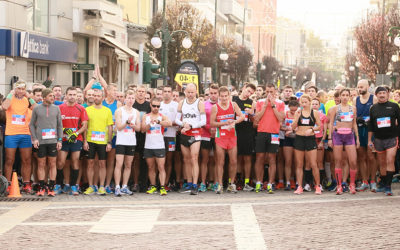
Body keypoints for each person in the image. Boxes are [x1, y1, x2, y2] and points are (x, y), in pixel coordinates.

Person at [2, 80, 37, 193]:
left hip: (25, 133)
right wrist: (10, 94)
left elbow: (36, 109)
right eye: (19, 88)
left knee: (26, 160)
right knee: (9, 160)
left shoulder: (27, 100)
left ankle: (26, 184)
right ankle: (7, 184)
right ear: (14, 89)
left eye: (23, 89)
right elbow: (5, 107)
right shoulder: (9, 98)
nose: (21, 91)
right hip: (11, 134)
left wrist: (29, 97)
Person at [210, 86, 244, 193]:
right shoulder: (215, 107)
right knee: (220, 161)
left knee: (233, 161)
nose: (224, 99)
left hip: (232, 136)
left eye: (226, 96)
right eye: (222, 96)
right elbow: (212, 123)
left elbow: (242, 116)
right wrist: (224, 123)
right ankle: (220, 185)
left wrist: (234, 122)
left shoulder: (233, 105)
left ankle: (231, 184)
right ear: (219, 97)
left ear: (229, 96)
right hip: (221, 137)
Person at [29, 88, 63, 196]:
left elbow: (59, 125)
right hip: (41, 142)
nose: (53, 97)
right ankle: (42, 187)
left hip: (53, 141)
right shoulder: (37, 108)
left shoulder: (56, 108)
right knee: (41, 164)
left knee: (52, 164)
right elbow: (31, 124)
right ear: (44, 98)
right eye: (50, 96)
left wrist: (59, 140)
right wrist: (34, 139)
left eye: (53, 96)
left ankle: (51, 188)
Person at [55, 87, 88, 195]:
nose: (72, 97)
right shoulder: (59, 108)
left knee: (75, 161)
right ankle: (59, 185)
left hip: (76, 139)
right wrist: (64, 130)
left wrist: (76, 134)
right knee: (61, 162)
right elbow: (56, 124)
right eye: (70, 94)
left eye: (74, 95)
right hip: (63, 139)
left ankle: (73, 186)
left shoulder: (81, 108)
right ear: (66, 95)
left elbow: (85, 126)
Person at [368, 86, 400, 196]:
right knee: (381, 163)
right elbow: (371, 125)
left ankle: (388, 186)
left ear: (387, 94)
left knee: (389, 160)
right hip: (378, 139)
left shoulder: (394, 106)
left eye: (384, 93)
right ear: (376, 95)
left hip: (392, 138)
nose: (382, 95)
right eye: (379, 93)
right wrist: (369, 140)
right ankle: (382, 184)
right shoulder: (373, 108)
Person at [175, 83, 206, 195]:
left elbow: (203, 121)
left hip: (195, 134)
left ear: (196, 92)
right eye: (188, 92)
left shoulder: (199, 103)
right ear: (185, 92)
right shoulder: (181, 103)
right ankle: (188, 183)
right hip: (185, 134)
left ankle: (194, 185)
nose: (190, 94)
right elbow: (177, 119)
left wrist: (192, 126)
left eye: (192, 92)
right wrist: (184, 124)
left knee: (194, 158)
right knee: (186, 160)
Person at [253, 83, 285, 193]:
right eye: (267, 92)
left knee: (272, 158)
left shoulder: (280, 103)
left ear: (275, 92)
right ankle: (259, 182)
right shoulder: (260, 102)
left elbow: (281, 118)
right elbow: (256, 118)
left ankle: (270, 183)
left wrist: (273, 106)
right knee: (260, 157)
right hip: (262, 132)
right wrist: (264, 106)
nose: (269, 94)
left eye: (271, 92)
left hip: (274, 134)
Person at [328, 89, 360, 195]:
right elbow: (331, 123)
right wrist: (329, 138)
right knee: (338, 161)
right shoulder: (334, 109)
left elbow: (354, 123)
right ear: (340, 96)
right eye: (343, 95)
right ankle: (339, 186)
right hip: (338, 136)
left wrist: (357, 138)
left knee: (353, 161)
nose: (345, 97)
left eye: (347, 95)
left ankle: (352, 184)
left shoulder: (353, 108)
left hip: (349, 136)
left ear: (350, 96)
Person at [83, 89, 113, 195]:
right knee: (90, 163)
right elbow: (84, 126)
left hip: (102, 141)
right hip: (90, 140)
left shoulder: (107, 110)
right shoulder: (87, 110)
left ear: (103, 98)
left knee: (102, 163)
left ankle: (101, 186)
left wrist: (109, 142)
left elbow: (110, 127)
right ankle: (91, 186)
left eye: (98, 96)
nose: (96, 97)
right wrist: (85, 141)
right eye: (94, 96)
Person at [291, 94, 322, 195]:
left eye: (305, 102)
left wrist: (311, 129)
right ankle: (300, 186)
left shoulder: (315, 112)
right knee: (299, 164)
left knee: (313, 164)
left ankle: (317, 186)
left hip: (310, 139)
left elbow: (319, 126)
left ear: (309, 102)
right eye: (302, 102)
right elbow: (293, 126)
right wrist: (297, 116)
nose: (303, 104)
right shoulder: (298, 112)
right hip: (299, 138)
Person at [142, 97, 172, 196]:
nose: (156, 108)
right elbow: (142, 130)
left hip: (159, 145)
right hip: (149, 145)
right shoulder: (146, 116)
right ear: (150, 105)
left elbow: (169, 123)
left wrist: (159, 122)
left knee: (161, 167)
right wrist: (149, 125)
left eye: (158, 106)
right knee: (151, 167)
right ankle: (153, 185)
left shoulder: (161, 116)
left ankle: (162, 187)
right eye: (154, 106)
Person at [114, 90, 140, 196]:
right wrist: (127, 122)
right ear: (125, 99)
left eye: (132, 98)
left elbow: (138, 128)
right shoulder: (119, 111)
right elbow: (118, 127)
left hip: (131, 141)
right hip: (121, 141)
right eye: (128, 98)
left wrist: (133, 125)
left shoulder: (136, 112)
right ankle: (117, 187)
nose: (130, 100)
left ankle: (124, 186)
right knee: (119, 164)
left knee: (128, 165)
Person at [354, 79, 378, 192]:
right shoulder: (356, 99)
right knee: (361, 157)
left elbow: (378, 114)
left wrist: (371, 120)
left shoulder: (373, 98)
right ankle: (364, 181)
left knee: (371, 157)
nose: (360, 89)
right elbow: (353, 115)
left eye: (362, 87)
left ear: (368, 87)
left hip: (371, 131)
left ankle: (373, 181)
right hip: (359, 130)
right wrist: (357, 119)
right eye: (358, 87)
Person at [232, 83, 256, 191]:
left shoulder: (252, 103)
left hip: (247, 132)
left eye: (251, 93)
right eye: (248, 91)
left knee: (247, 158)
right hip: (235, 131)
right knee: (236, 157)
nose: (248, 94)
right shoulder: (234, 99)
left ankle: (246, 181)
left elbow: (255, 122)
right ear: (243, 89)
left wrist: (251, 114)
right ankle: (236, 180)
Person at [102, 83, 122, 194]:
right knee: (100, 161)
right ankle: (98, 184)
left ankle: (107, 184)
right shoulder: (102, 102)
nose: (116, 93)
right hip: (100, 135)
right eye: (114, 91)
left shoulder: (118, 104)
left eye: (117, 90)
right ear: (108, 91)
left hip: (114, 136)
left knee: (110, 161)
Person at [199, 84, 218, 192]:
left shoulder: (221, 104)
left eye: (215, 93)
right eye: (211, 93)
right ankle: (203, 183)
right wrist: (208, 128)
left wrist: (216, 129)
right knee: (205, 160)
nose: (213, 95)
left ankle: (215, 182)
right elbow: (201, 120)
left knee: (216, 160)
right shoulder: (204, 104)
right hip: (205, 135)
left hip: (218, 136)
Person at [132, 85, 151, 192]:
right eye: (139, 91)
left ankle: (145, 183)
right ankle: (135, 183)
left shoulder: (149, 105)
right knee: (135, 160)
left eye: (143, 91)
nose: (140, 93)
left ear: (145, 93)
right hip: (133, 136)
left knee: (146, 161)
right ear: (136, 93)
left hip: (146, 136)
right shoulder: (132, 104)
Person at [159, 85, 178, 190]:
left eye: (168, 91)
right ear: (162, 93)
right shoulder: (158, 105)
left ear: (171, 93)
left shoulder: (176, 105)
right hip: (159, 137)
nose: (166, 93)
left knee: (169, 160)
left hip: (171, 136)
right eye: (165, 91)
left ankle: (166, 183)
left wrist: (169, 124)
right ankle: (160, 182)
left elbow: (179, 121)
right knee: (161, 161)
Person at [280, 100, 299, 190]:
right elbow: (280, 126)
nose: (293, 112)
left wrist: (293, 131)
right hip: (287, 139)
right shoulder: (285, 114)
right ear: (289, 108)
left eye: (295, 111)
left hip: (297, 138)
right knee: (288, 161)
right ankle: (287, 182)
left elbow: (303, 127)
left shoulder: (300, 114)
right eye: (292, 111)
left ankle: (295, 181)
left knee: (297, 162)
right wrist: (285, 129)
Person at [311, 98, 328, 192]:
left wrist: (322, 141)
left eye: (316, 104)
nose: (314, 105)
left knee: (319, 162)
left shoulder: (323, 116)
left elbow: (325, 130)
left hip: (319, 139)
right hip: (310, 139)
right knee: (310, 162)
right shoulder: (307, 115)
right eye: (312, 104)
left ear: (319, 105)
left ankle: (320, 183)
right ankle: (310, 183)